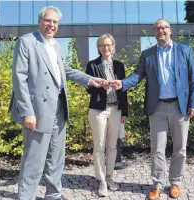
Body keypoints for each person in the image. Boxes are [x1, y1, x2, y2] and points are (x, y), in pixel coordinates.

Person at [8, 6, 106, 200]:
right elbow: (19, 78)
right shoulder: (26, 42)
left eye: (55, 22)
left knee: (56, 157)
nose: (51, 25)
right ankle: (26, 196)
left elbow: (65, 70)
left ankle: (53, 194)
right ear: (40, 21)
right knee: (34, 159)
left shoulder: (57, 46)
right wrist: (27, 112)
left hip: (59, 109)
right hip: (37, 111)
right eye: (48, 21)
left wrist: (89, 79)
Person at [109, 19, 194, 200]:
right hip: (157, 106)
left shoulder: (184, 51)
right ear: (154, 32)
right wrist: (122, 83)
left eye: (164, 27)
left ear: (170, 30)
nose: (161, 30)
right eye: (157, 28)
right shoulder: (148, 54)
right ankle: (157, 184)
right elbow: (137, 75)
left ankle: (175, 182)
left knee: (180, 148)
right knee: (157, 148)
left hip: (180, 107)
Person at [85, 34, 128, 197]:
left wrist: (124, 111)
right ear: (98, 48)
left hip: (116, 109)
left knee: (112, 146)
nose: (106, 48)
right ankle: (102, 181)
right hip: (98, 110)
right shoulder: (92, 65)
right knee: (99, 146)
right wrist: (99, 85)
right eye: (103, 45)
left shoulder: (119, 65)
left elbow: (124, 90)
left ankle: (110, 177)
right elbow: (88, 88)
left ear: (114, 47)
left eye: (109, 45)